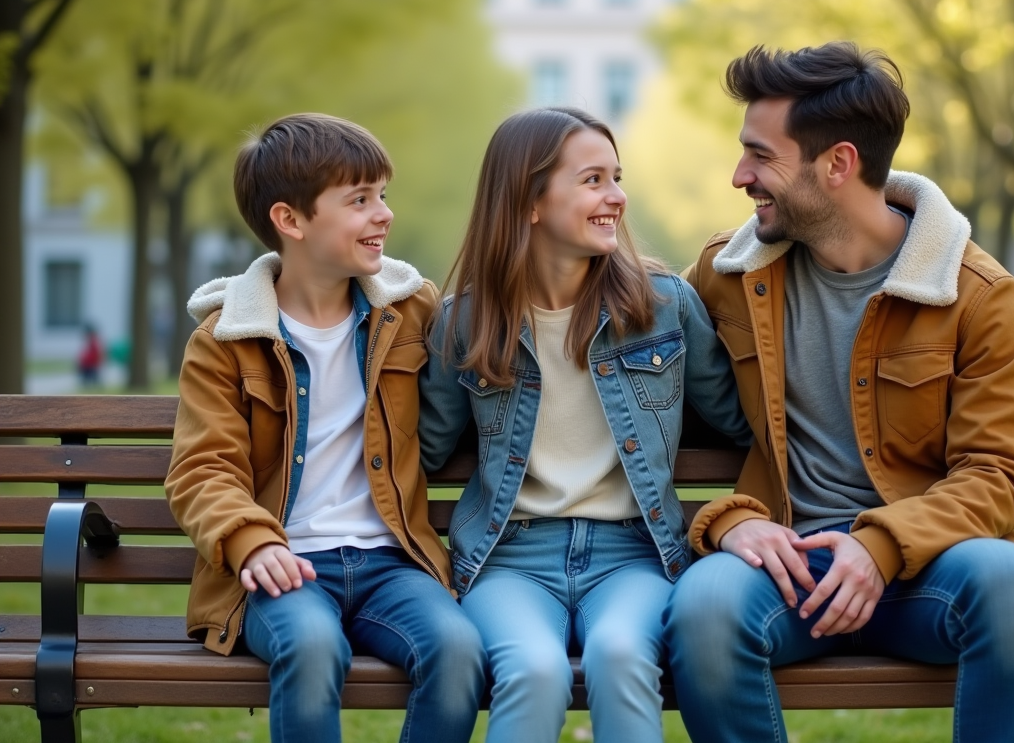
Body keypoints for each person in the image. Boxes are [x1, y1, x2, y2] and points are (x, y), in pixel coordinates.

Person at [662, 43, 1014, 743]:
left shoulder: (979, 296)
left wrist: (881, 546)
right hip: (784, 570)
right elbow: (638, 393)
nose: (740, 176)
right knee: (703, 607)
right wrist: (729, 521)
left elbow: (999, 476)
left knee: (1009, 582)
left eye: (761, 156)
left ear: (838, 164)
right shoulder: (726, 275)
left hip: (929, 573)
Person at [419, 107, 749, 743]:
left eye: (616, 177)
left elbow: (740, 423)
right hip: (510, 559)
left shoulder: (663, 308)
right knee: (535, 670)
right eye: (593, 180)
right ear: (531, 202)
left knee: (622, 654)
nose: (617, 198)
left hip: (634, 554)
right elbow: (422, 450)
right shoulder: (466, 322)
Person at [165, 113, 485, 743]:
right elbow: (203, 469)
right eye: (359, 200)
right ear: (292, 220)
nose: (384, 215)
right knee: (312, 649)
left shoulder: (410, 311)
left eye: (383, 195)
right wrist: (253, 542)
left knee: (457, 650)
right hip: (284, 568)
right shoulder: (225, 341)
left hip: (391, 564)